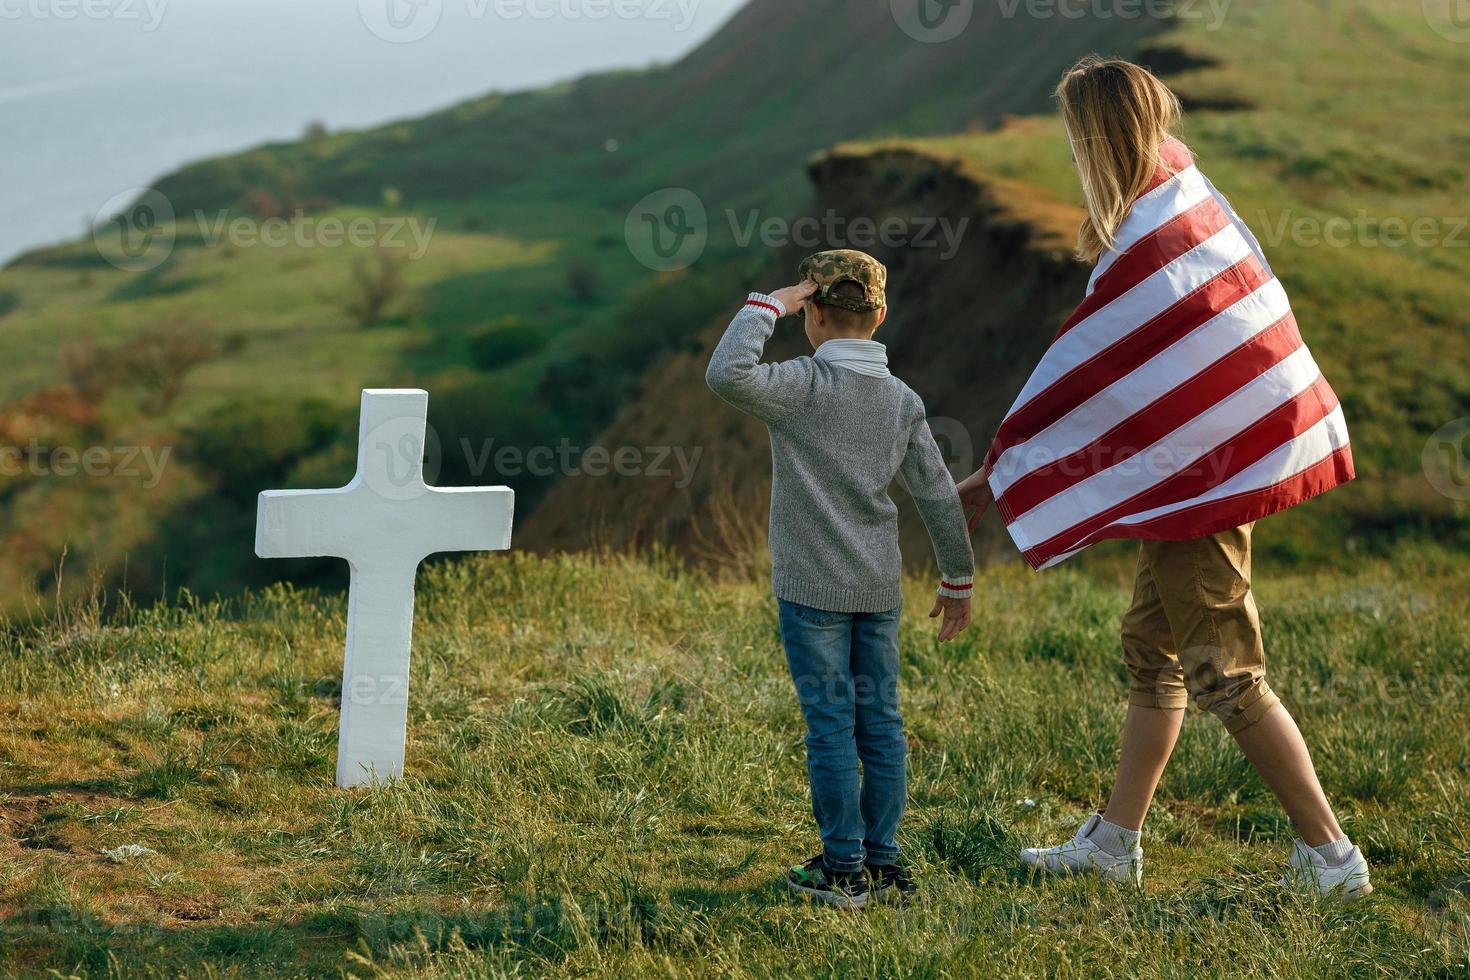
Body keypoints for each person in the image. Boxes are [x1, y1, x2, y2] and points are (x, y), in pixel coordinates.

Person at [957, 58, 1371, 900]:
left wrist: (997, 471)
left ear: (1098, 136)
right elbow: (1141, 372)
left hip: (1207, 477)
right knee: (1156, 654)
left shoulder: (1156, 229)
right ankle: (1116, 842)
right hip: (1206, 465)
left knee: (1224, 667)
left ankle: (1331, 858)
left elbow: (1091, 380)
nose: (1072, 150)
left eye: (1078, 133)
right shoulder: (1176, 188)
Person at [706, 249, 975, 908]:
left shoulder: (801, 385)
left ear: (814, 313)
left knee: (830, 726)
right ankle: (884, 864)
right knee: (880, 723)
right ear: (881, 315)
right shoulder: (902, 400)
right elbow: (938, 495)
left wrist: (768, 303)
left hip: (810, 593)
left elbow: (726, 374)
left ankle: (842, 869)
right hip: (878, 590)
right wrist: (957, 579)